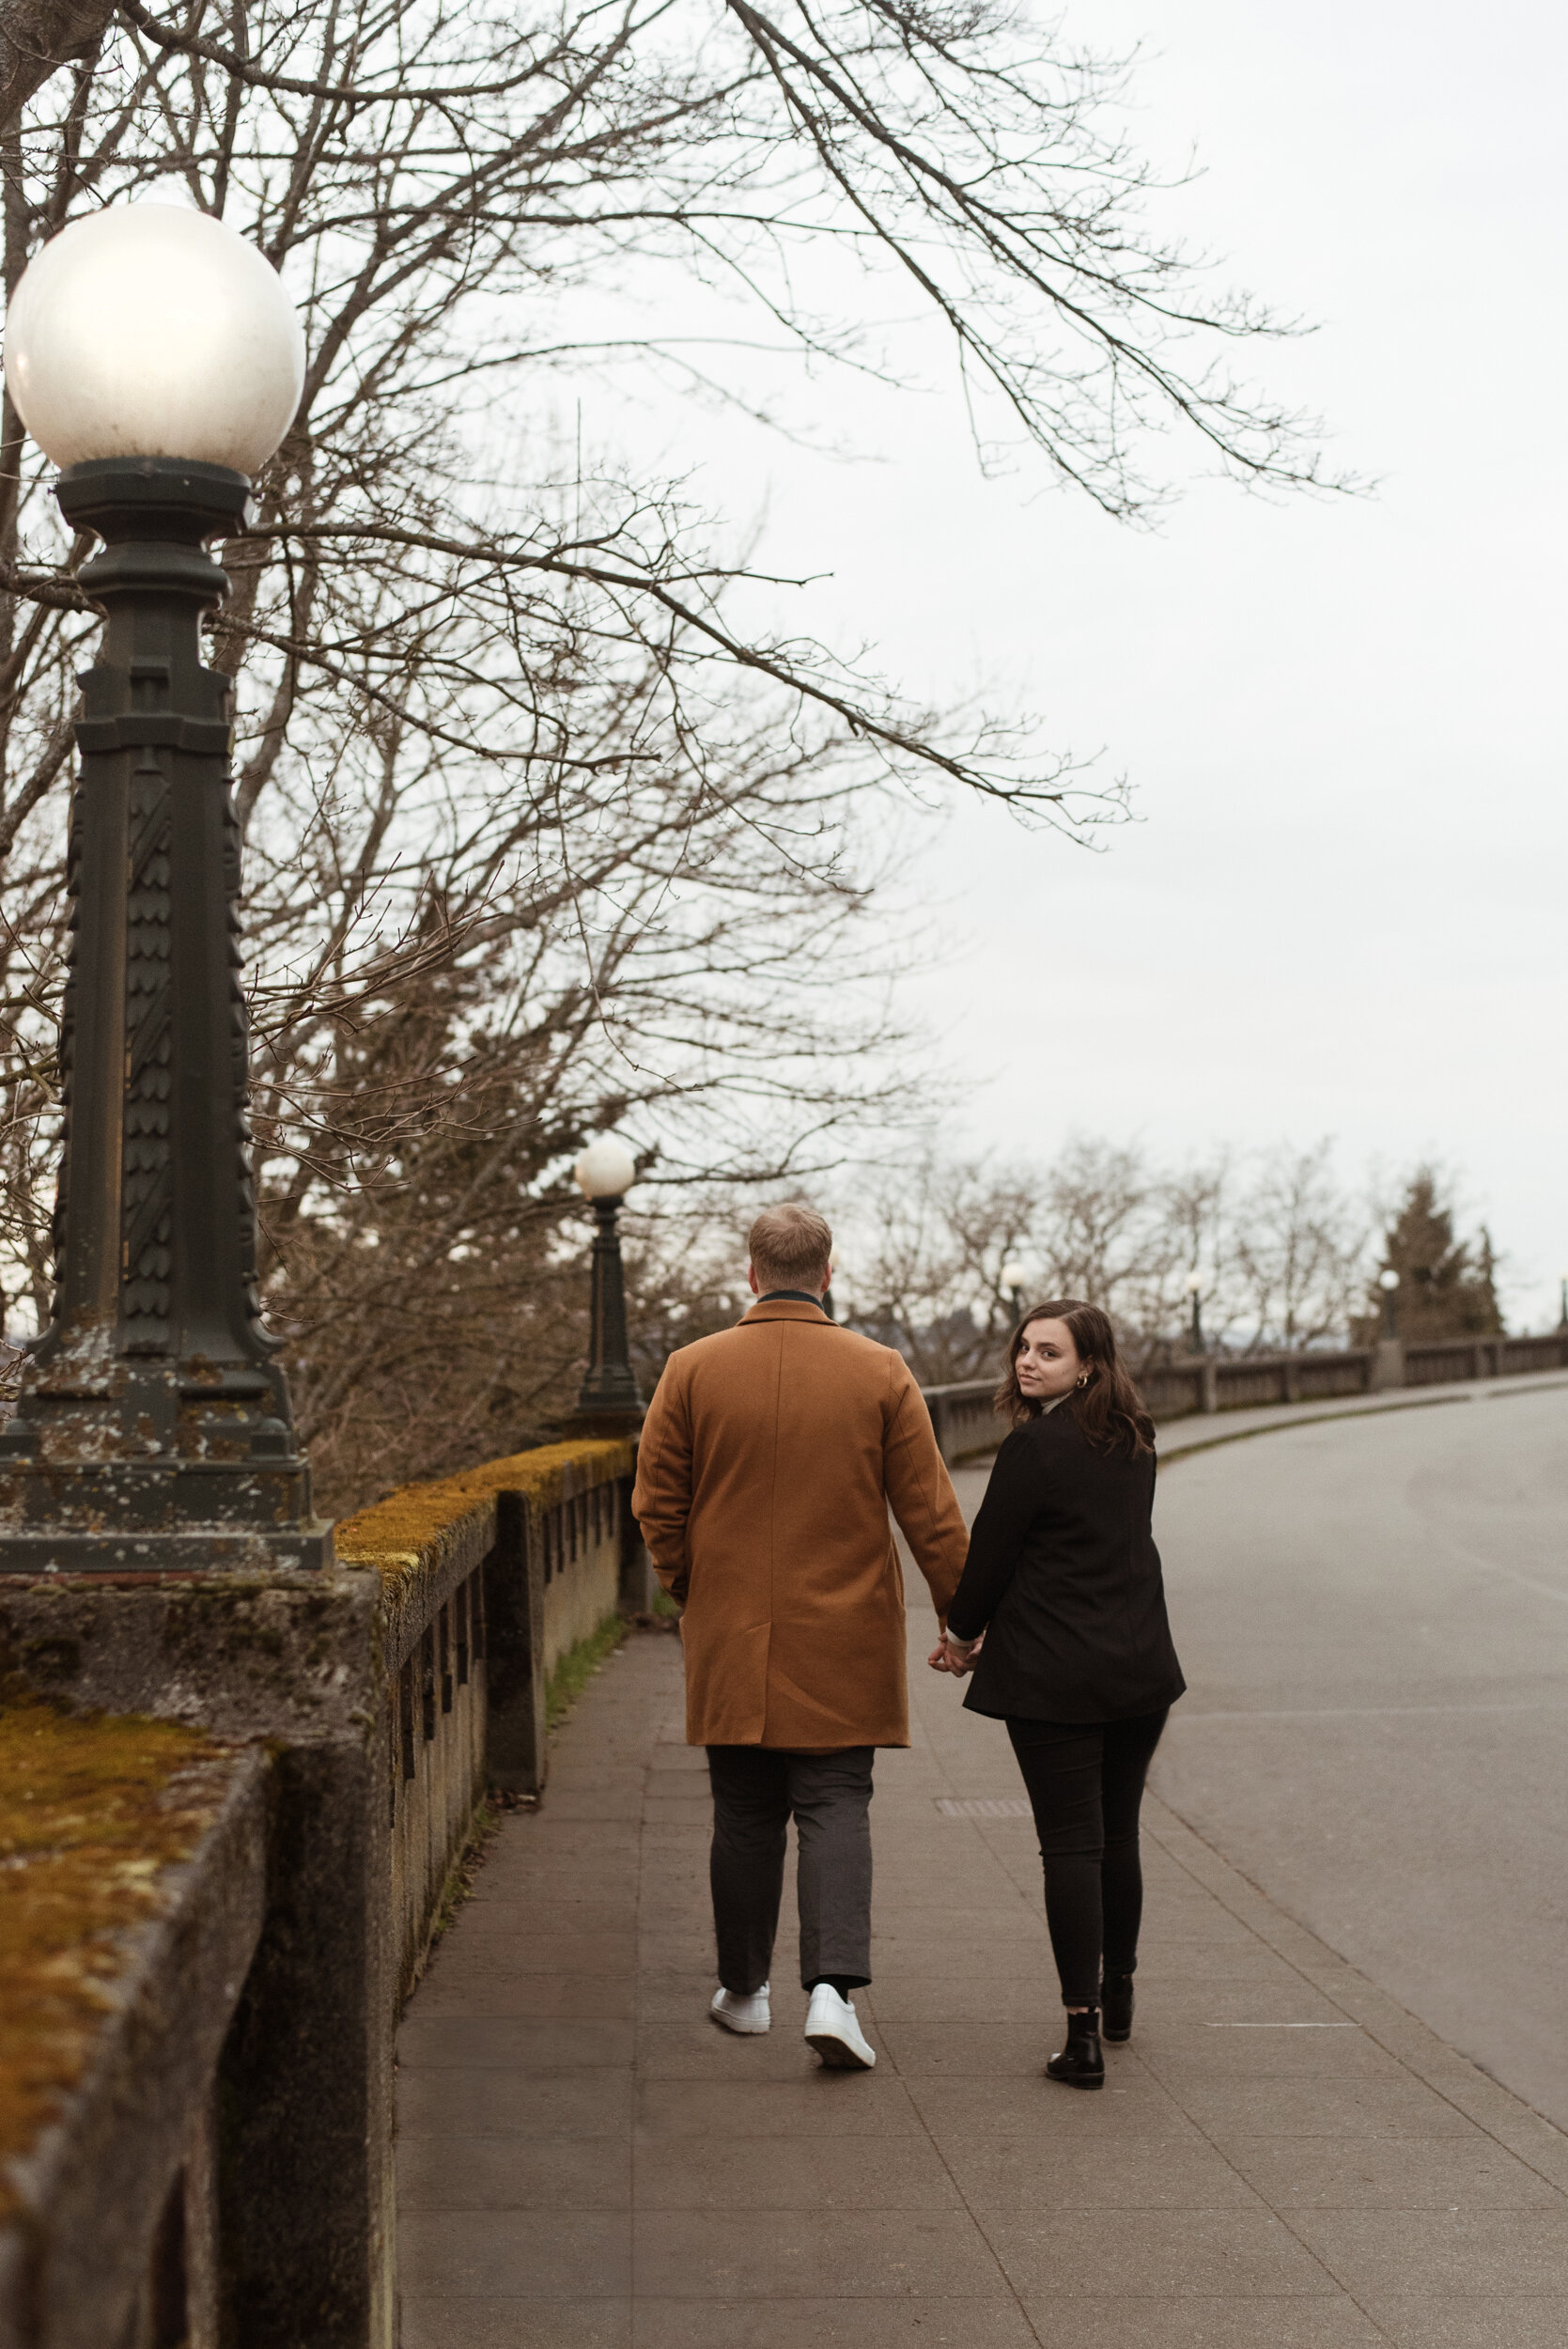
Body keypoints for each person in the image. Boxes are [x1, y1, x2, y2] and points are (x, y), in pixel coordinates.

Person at [632, 1201, 970, 2069]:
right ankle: (833, 1990)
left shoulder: (691, 1370)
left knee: (743, 1813)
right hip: (844, 1629)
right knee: (833, 1803)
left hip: (731, 1632)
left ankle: (746, 1992)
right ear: (827, 1273)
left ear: (750, 1273)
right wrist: (961, 1619)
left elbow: (655, 1505)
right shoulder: (880, 1371)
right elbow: (930, 1514)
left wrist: (689, 1588)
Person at [931, 1299, 1185, 2091]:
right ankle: (1119, 1994)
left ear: (1088, 1365)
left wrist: (960, 1637)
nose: (1026, 1361)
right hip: (1139, 1669)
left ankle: (1081, 2037)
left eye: (1048, 1352)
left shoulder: (1033, 1448)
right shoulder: (1136, 1441)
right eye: (1022, 1348)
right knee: (1118, 1835)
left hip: (1054, 1678)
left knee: (1070, 1845)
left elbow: (989, 1560)